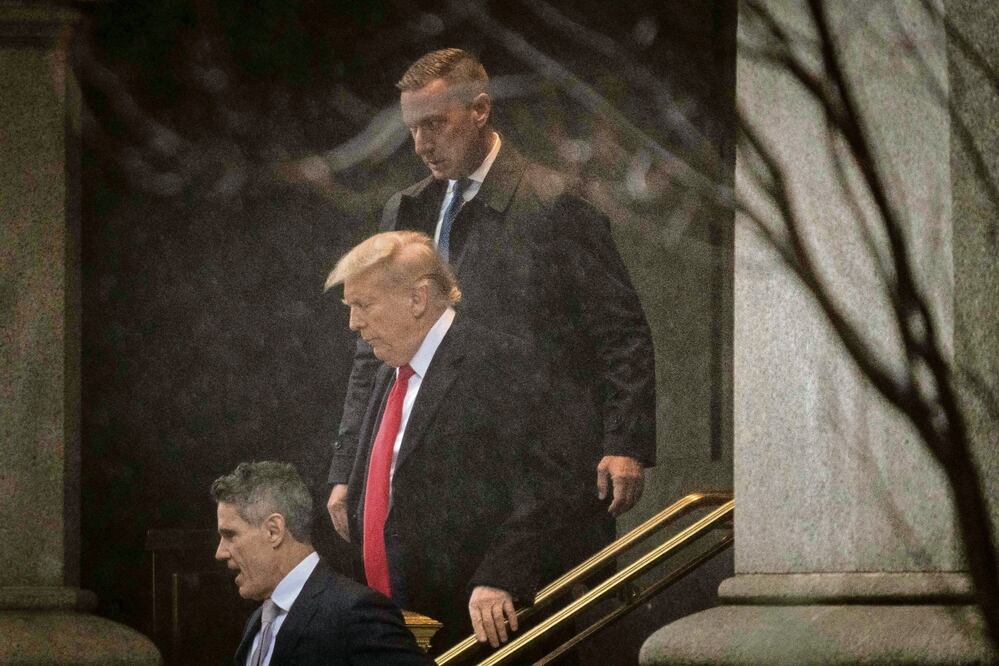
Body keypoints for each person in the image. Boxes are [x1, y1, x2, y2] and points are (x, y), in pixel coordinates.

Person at [327, 47, 657, 576]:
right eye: (412, 128)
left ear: (480, 110)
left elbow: (619, 332)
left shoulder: (556, 203)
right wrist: (350, 464)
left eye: (435, 123)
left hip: (533, 470)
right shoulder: (406, 209)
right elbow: (374, 347)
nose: (421, 144)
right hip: (430, 468)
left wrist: (625, 443)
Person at [324, 230, 573, 653]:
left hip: (476, 626)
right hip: (396, 625)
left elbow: (551, 484)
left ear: (418, 299)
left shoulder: (502, 362)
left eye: (363, 305)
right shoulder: (390, 370)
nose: (353, 323)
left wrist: (502, 575)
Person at [212, 461, 431, 665]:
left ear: (274, 530)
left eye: (230, 535)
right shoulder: (257, 621)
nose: (220, 553)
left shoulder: (356, 613)